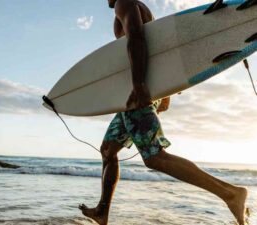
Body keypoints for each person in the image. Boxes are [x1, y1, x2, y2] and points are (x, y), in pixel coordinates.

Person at [79, 0, 248, 224]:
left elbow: (137, 39)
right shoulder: (137, 7)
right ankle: (102, 211)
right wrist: (165, 93)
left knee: (155, 157)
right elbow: (160, 51)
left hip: (137, 92)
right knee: (108, 150)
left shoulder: (124, 2)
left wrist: (139, 86)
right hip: (139, 91)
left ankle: (231, 194)